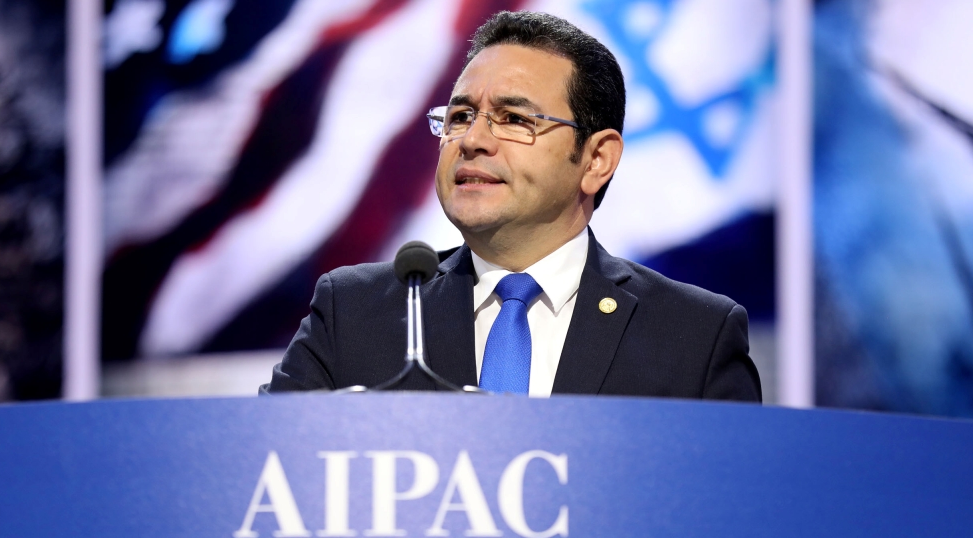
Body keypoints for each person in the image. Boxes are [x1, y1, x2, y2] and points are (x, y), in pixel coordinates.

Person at [263, 11, 761, 401]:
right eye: (460, 116)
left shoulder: (694, 337)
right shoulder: (354, 312)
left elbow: (729, 520)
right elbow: (262, 472)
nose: (473, 139)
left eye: (513, 118)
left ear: (596, 159)